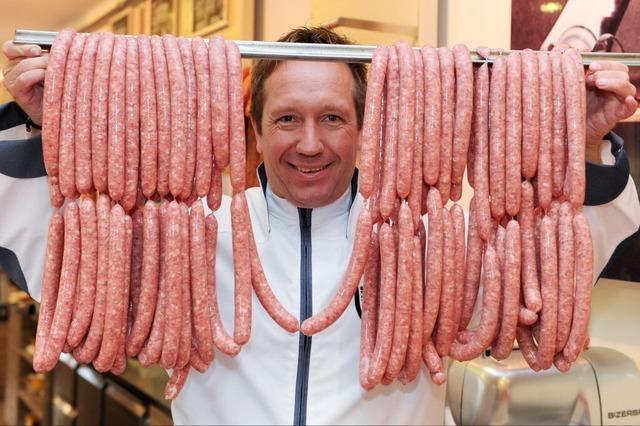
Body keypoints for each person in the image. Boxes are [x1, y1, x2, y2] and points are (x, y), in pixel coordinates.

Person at [1, 26, 639, 425]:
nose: (310, 144)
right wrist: (39, 130)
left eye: (333, 118)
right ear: (253, 131)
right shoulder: (191, 236)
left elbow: (547, 286)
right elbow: (56, 277)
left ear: (366, 131)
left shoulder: (429, 242)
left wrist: (582, 145)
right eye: (287, 119)